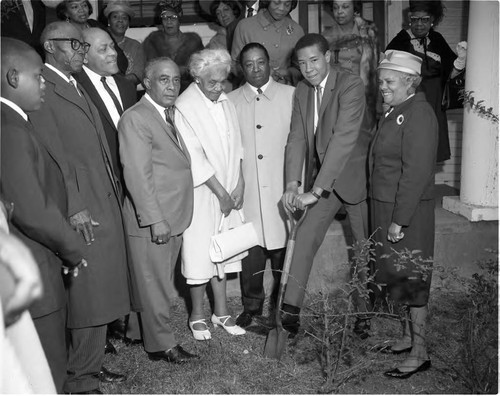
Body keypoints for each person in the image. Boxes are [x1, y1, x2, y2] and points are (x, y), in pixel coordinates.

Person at [30, 21, 134, 394]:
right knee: (89, 292)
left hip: (101, 195)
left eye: (80, 43)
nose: (80, 50)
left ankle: (89, 365)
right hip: (82, 205)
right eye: (73, 44)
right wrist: (74, 205)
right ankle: (81, 378)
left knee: (100, 290)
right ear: (50, 46)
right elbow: (50, 154)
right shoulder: (42, 83)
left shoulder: (73, 81)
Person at [1, 37, 89, 392]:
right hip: (33, 268)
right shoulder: (9, 129)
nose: (43, 84)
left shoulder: (13, 121)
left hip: (30, 261)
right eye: (37, 76)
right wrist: (73, 249)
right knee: (45, 372)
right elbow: (31, 209)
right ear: (12, 77)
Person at [280, 34, 372, 336]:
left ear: (328, 57)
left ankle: (364, 311)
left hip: (355, 177)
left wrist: (315, 191)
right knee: (304, 235)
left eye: (314, 60)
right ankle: (290, 311)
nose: (308, 68)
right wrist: (292, 184)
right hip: (324, 180)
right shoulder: (302, 91)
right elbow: (295, 138)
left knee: (362, 247)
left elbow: (343, 140)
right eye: (302, 63)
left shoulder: (350, 85)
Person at [117, 57, 199, 364]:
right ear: (147, 83)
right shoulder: (136, 118)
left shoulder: (165, 113)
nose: (172, 85)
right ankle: (162, 345)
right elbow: (137, 174)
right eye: (163, 80)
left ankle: (138, 332)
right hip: (154, 219)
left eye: (176, 79)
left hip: (171, 213)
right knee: (158, 285)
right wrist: (155, 219)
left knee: (152, 279)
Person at [370, 50, 437, 379]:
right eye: (381, 80)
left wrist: (400, 219)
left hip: (406, 212)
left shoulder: (419, 114)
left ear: (411, 82)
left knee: (412, 281)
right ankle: (409, 338)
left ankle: (420, 353)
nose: (382, 86)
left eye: (389, 81)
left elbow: (415, 173)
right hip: (389, 207)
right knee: (399, 276)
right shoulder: (397, 110)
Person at [175, 48, 246, 341]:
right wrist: (220, 193)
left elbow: (237, 144)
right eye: (212, 82)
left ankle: (221, 311)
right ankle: (196, 315)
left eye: (223, 81)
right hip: (203, 193)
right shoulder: (184, 106)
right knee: (199, 253)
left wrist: (239, 183)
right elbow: (192, 157)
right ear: (197, 78)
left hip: (229, 188)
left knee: (224, 251)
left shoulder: (226, 101)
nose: (219, 87)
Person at [227, 43, 294, 328]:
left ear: (270, 64)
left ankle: (283, 308)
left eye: (261, 62)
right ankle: (252, 306)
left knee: (283, 253)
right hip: (249, 190)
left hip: (282, 188)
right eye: (249, 64)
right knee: (251, 256)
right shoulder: (230, 101)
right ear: (241, 68)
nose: (255, 69)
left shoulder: (291, 96)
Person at [386, 0, 467, 163]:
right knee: (409, 149)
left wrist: (459, 63)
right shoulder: (400, 40)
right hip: (410, 103)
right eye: (415, 19)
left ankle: (426, 186)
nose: (419, 24)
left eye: (425, 20)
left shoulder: (437, 40)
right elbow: (387, 74)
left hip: (434, 103)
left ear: (432, 21)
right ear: (410, 19)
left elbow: (449, 75)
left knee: (430, 150)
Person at [75, 27, 138, 204]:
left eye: (112, 46)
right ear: (84, 57)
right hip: (99, 186)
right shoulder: (75, 88)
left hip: (133, 178)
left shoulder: (126, 85)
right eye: (103, 49)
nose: (113, 53)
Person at [322, 0, 380, 125]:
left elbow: (374, 69)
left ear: (355, 7)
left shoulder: (367, 32)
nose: (340, 12)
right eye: (336, 7)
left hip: (364, 94)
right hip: (337, 96)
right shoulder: (326, 36)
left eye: (345, 7)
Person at [232, 0, 304, 86]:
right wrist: (260, 73)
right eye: (277, 3)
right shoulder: (244, 26)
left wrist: (287, 73)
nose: (282, 8)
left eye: (287, 4)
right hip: (252, 90)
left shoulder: (296, 30)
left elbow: (301, 67)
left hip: (284, 88)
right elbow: (235, 65)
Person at [142, 0, 204, 92]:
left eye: (173, 17)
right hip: (161, 92)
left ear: (180, 18)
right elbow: (147, 71)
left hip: (189, 92)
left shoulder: (193, 41)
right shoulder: (153, 40)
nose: (168, 21)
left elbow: (202, 70)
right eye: (165, 17)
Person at [56, 0, 129, 74]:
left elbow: (118, 53)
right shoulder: (63, 33)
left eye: (84, 5)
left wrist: (117, 75)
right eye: (75, 7)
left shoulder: (96, 25)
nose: (81, 10)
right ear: (65, 13)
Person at [103, 0, 145, 86]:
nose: (120, 21)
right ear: (108, 21)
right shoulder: (100, 43)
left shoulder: (135, 46)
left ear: (128, 23)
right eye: (115, 17)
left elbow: (138, 75)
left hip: (128, 93)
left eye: (124, 18)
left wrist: (115, 83)